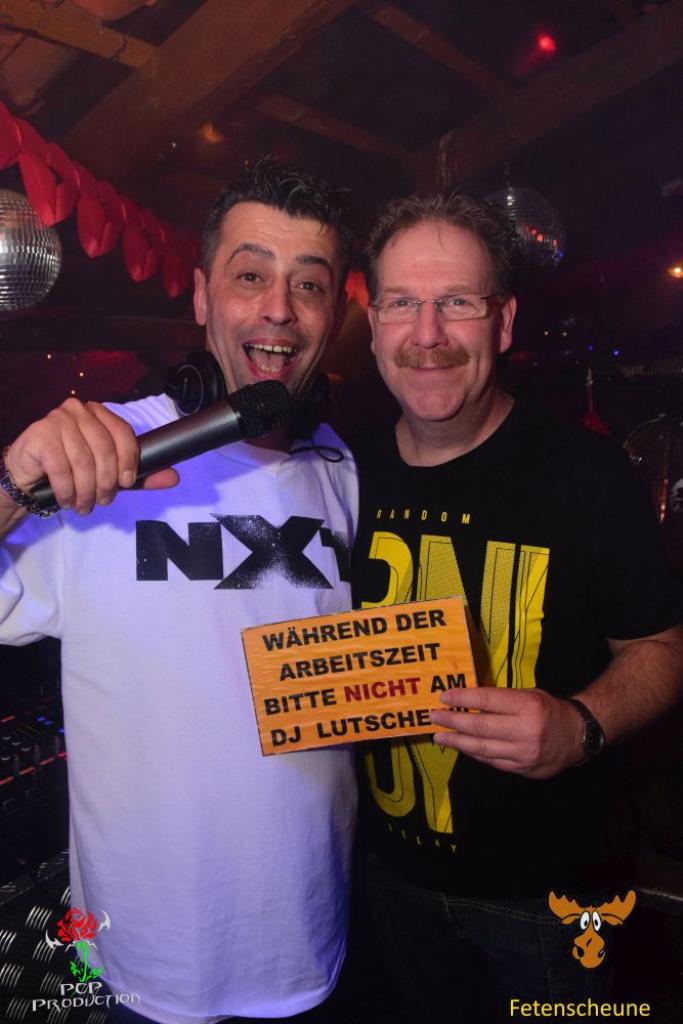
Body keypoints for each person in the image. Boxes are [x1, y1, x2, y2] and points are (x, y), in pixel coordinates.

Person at [0, 161, 359, 1024]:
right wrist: (12, 485)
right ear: (202, 297)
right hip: (147, 960)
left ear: (334, 317)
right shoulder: (103, 456)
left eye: (308, 284)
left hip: (310, 943)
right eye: (250, 275)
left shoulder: (340, 466)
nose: (279, 308)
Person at [349, 193, 683, 1022]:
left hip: (549, 897)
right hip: (385, 877)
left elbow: (661, 647)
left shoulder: (587, 475)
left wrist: (581, 725)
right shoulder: (337, 471)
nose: (427, 333)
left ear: (502, 323)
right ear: (374, 324)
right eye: (401, 303)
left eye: (457, 302)